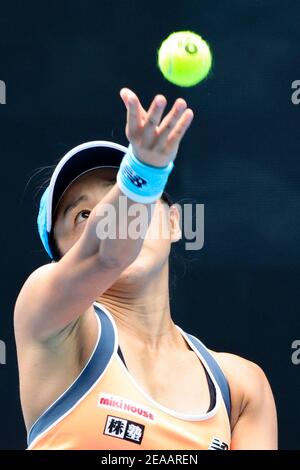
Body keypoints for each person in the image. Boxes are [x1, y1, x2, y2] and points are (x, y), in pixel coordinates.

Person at [14, 88, 277, 450]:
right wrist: (144, 173)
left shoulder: (242, 388)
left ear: (173, 223)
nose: (117, 221)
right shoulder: (45, 312)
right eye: (83, 216)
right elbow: (107, 255)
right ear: (64, 261)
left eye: (120, 196)